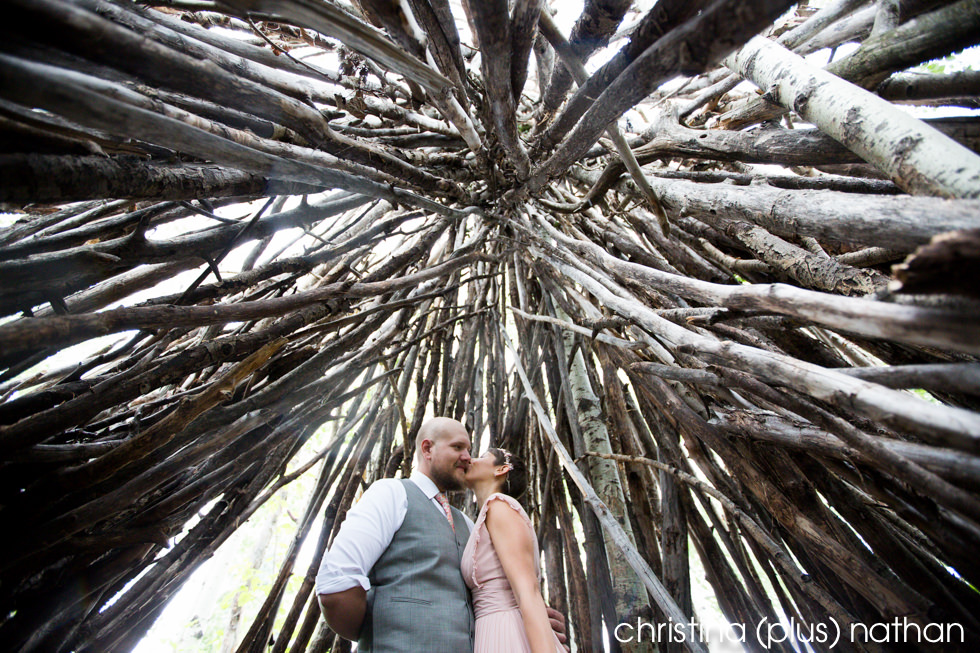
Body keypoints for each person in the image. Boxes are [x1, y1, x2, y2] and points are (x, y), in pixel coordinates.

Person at [315, 417, 566, 652]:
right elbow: (337, 583)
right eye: (457, 447)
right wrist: (381, 634)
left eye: (469, 450)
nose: (467, 457)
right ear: (427, 449)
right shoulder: (392, 494)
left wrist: (527, 620)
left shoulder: (469, 525)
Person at [462, 447, 565, 653]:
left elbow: (528, 591)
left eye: (482, 457)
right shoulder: (487, 514)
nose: (470, 459)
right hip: (491, 630)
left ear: (501, 469)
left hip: (506, 630)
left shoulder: (500, 507)